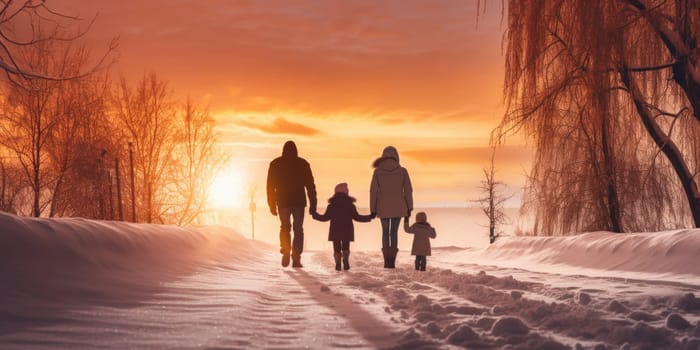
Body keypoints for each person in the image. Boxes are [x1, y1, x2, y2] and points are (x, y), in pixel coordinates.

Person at [267, 140, 317, 268]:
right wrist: (313, 204)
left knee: (285, 227)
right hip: (299, 202)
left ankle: (286, 248)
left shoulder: (275, 164)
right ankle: (296, 257)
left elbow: (270, 187)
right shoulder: (303, 164)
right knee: (298, 229)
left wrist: (271, 204)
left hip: (283, 202)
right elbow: (310, 185)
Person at [311, 182, 374, 271]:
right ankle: (345, 260)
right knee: (345, 246)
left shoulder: (332, 205)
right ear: (346, 193)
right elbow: (357, 217)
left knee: (336, 247)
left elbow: (325, 218)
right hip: (347, 230)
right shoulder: (350, 205)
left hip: (335, 230)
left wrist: (315, 215)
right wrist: (369, 217)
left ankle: (338, 263)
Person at [370, 145, 413, 268]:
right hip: (399, 207)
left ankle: (386, 260)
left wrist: (373, 209)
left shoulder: (377, 172)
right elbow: (408, 191)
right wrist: (409, 207)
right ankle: (392, 261)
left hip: (382, 207)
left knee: (385, 232)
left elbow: (373, 191)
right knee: (394, 232)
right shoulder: (402, 171)